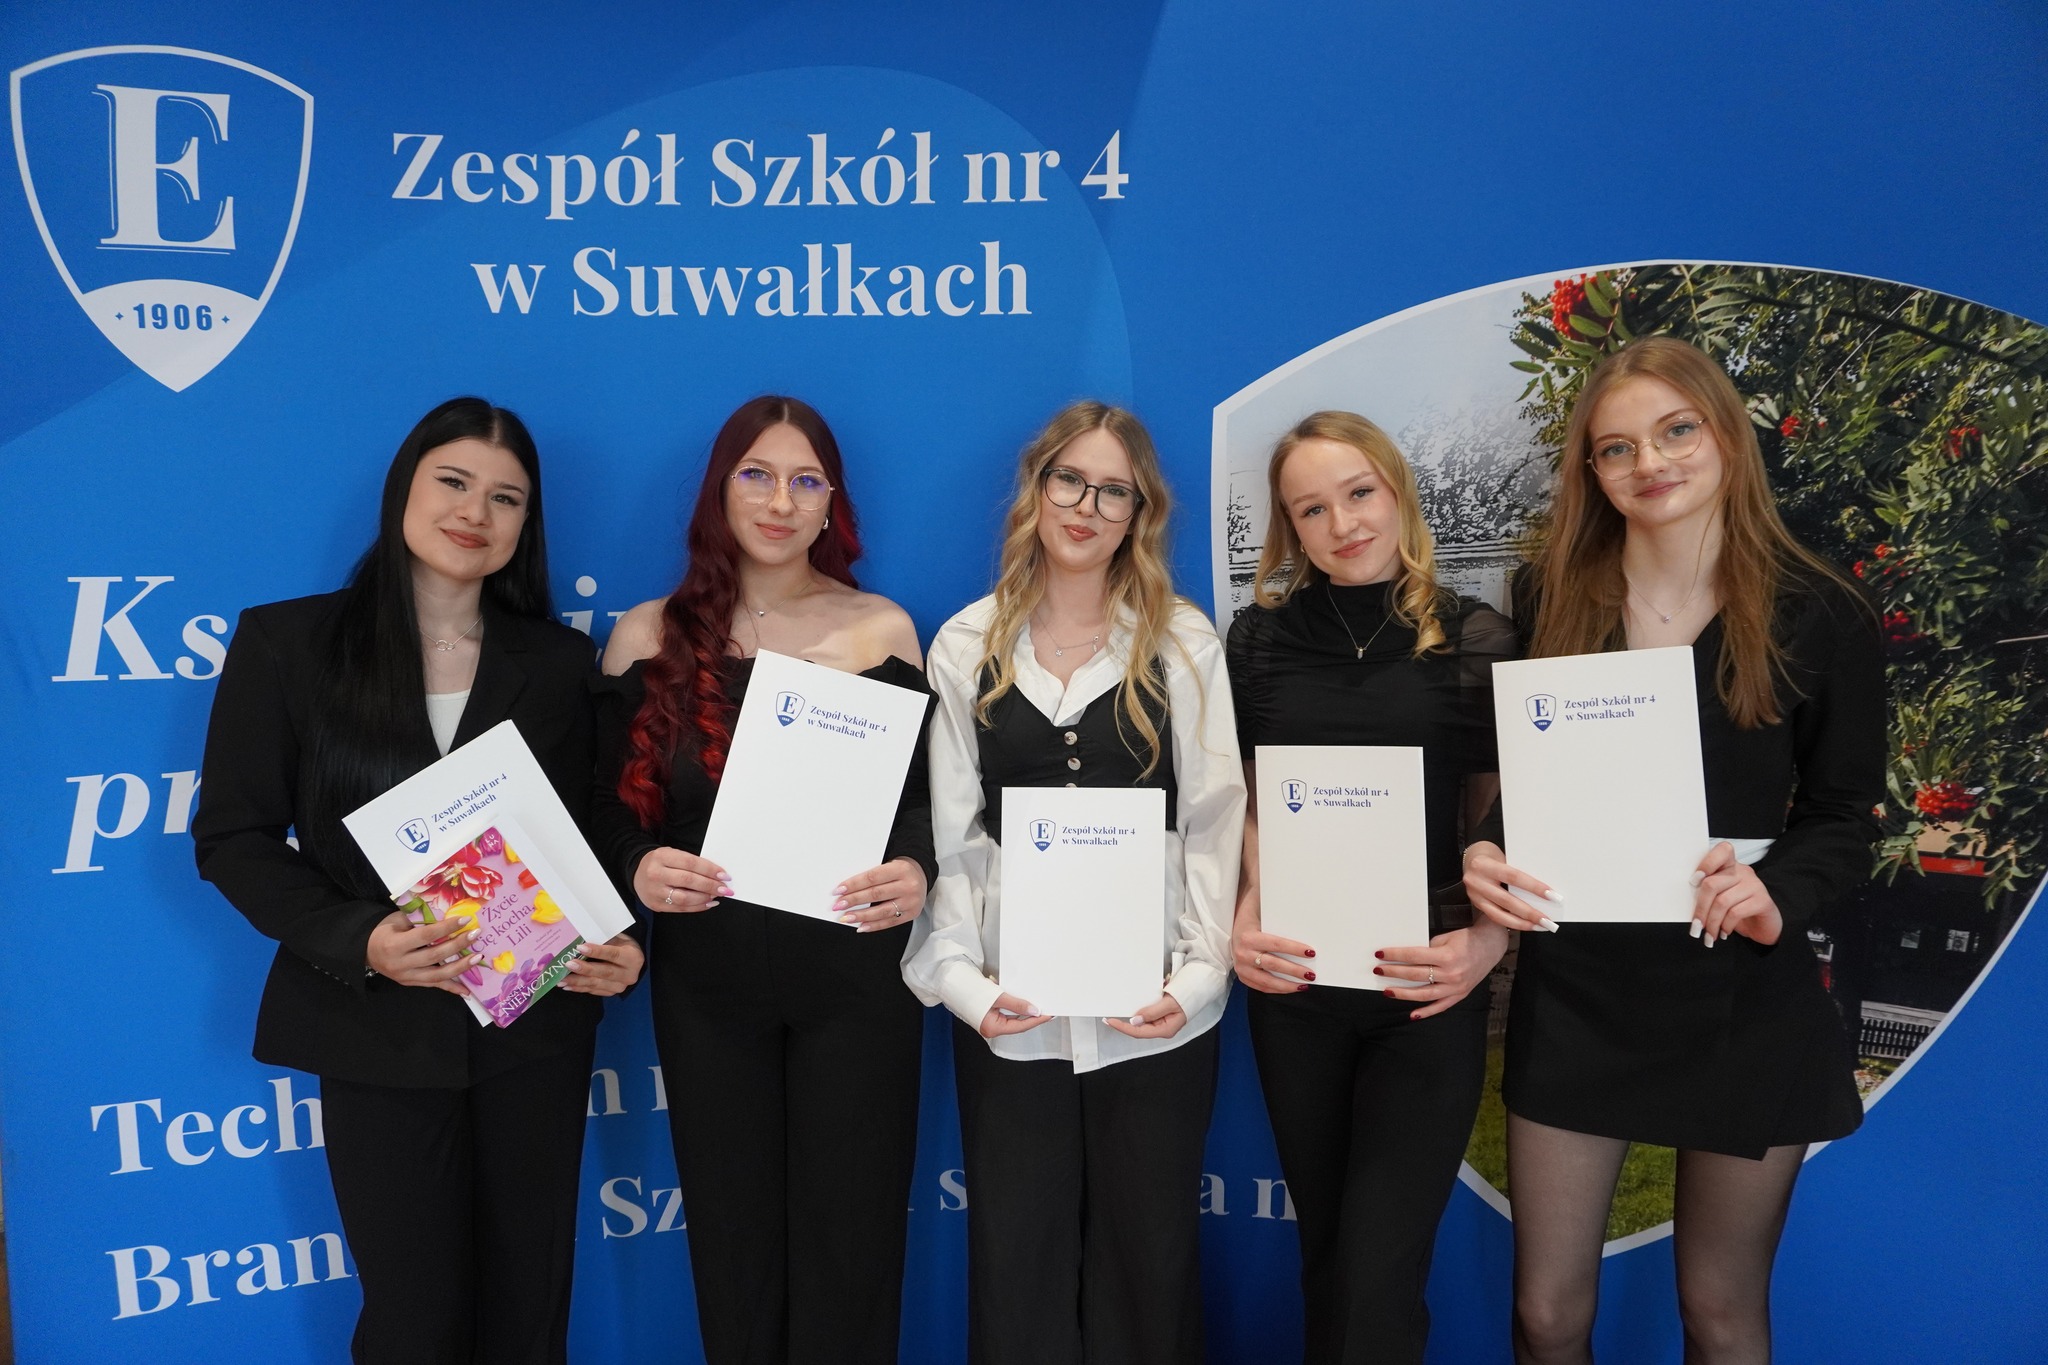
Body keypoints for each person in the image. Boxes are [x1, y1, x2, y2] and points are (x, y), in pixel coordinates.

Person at [192, 397, 644, 1364]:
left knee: (530, 1309)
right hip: (375, 1029)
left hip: (535, 1023)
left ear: (526, 525)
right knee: (412, 1319)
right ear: (404, 486)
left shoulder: (559, 662)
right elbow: (232, 837)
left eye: (506, 497)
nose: (475, 511)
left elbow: (598, 825)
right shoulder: (288, 644)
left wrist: (624, 939)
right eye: (454, 481)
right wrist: (359, 937)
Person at [1461, 336, 1884, 1365]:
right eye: (1616, 448)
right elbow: (1531, 786)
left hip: (1740, 985)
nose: (1648, 462)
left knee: (1720, 1314)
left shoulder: (1821, 609)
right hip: (1581, 989)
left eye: (1675, 430)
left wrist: (1774, 889)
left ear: (1724, 434)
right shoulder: (1548, 594)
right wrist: (1482, 851)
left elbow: (1843, 813)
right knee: (1546, 1318)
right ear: (1592, 471)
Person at [588, 395, 933, 1365]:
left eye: (805, 480)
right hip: (709, 987)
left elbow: (926, 800)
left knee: (853, 1242)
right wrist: (638, 864)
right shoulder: (646, 634)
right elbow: (602, 807)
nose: (780, 501)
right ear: (719, 489)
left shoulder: (881, 629)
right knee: (732, 1242)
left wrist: (917, 866)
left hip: (856, 982)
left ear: (831, 505)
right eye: (757, 474)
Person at [905, 401, 1246, 1365]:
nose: (1087, 508)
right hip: (1012, 1010)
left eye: (1113, 491)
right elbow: (952, 833)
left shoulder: (1181, 642)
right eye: (1071, 481)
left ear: (1140, 511)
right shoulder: (966, 644)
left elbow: (1215, 821)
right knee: (1017, 1264)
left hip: (1155, 1010)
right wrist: (964, 986)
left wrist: (1197, 980)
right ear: (1037, 487)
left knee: (1149, 1264)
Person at [1225, 411, 1515, 1364]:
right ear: (1290, 527)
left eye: (1359, 493)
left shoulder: (1478, 640)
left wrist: (1487, 943)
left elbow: (1502, 822)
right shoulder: (1258, 641)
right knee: (1328, 1257)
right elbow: (1250, 799)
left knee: (1378, 1274)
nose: (1343, 523)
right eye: (1312, 508)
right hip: (1297, 986)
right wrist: (1247, 911)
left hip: (1424, 991)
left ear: (1397, 491)